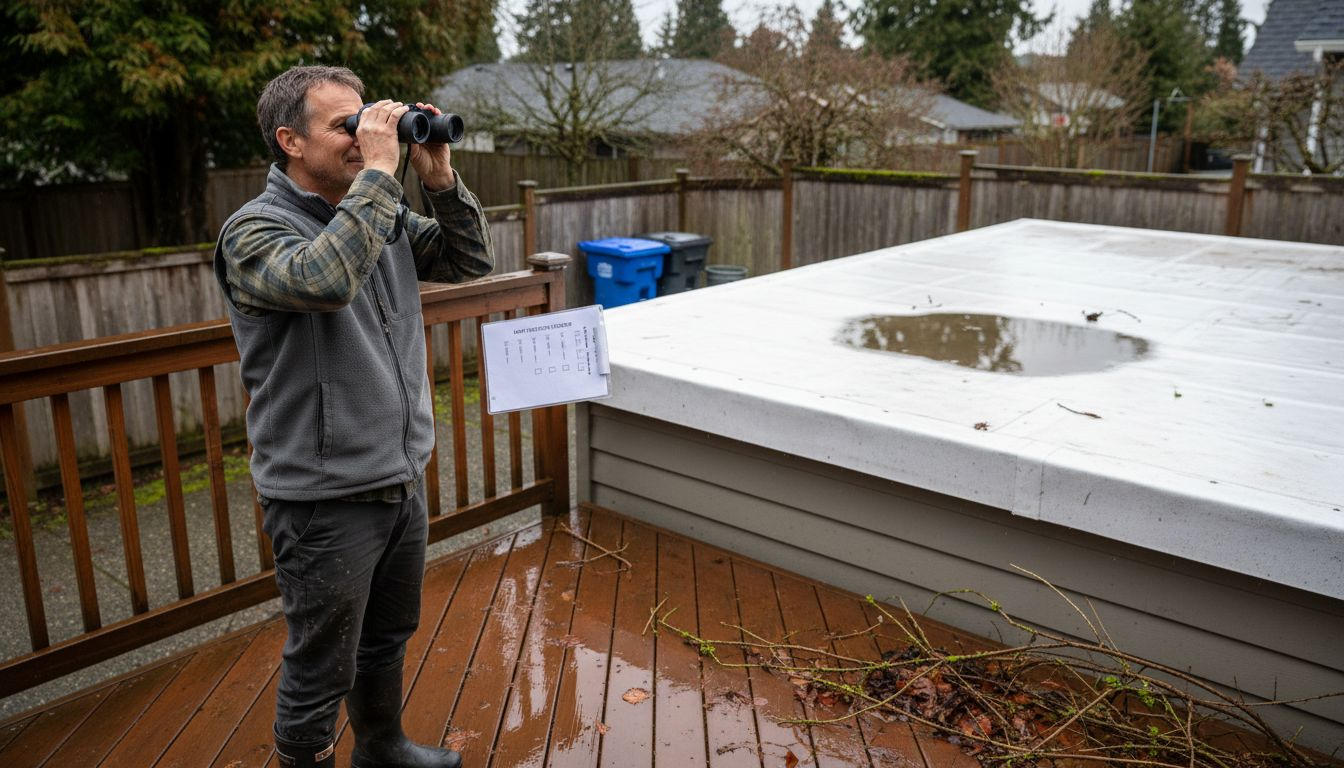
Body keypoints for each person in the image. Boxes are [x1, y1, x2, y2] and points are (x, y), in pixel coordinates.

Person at [213, 65, 493, 768]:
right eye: (346, 125)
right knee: (320, 667)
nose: (364, 136)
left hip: (398, 474)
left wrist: (435, 176)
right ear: (290, 140)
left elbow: (470, 261)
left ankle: (382, 747)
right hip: (322, 493)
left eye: (368, 119)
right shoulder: (252, 232)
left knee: (386, 635)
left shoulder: (381, 212)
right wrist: (378, 174)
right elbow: (324, 279)